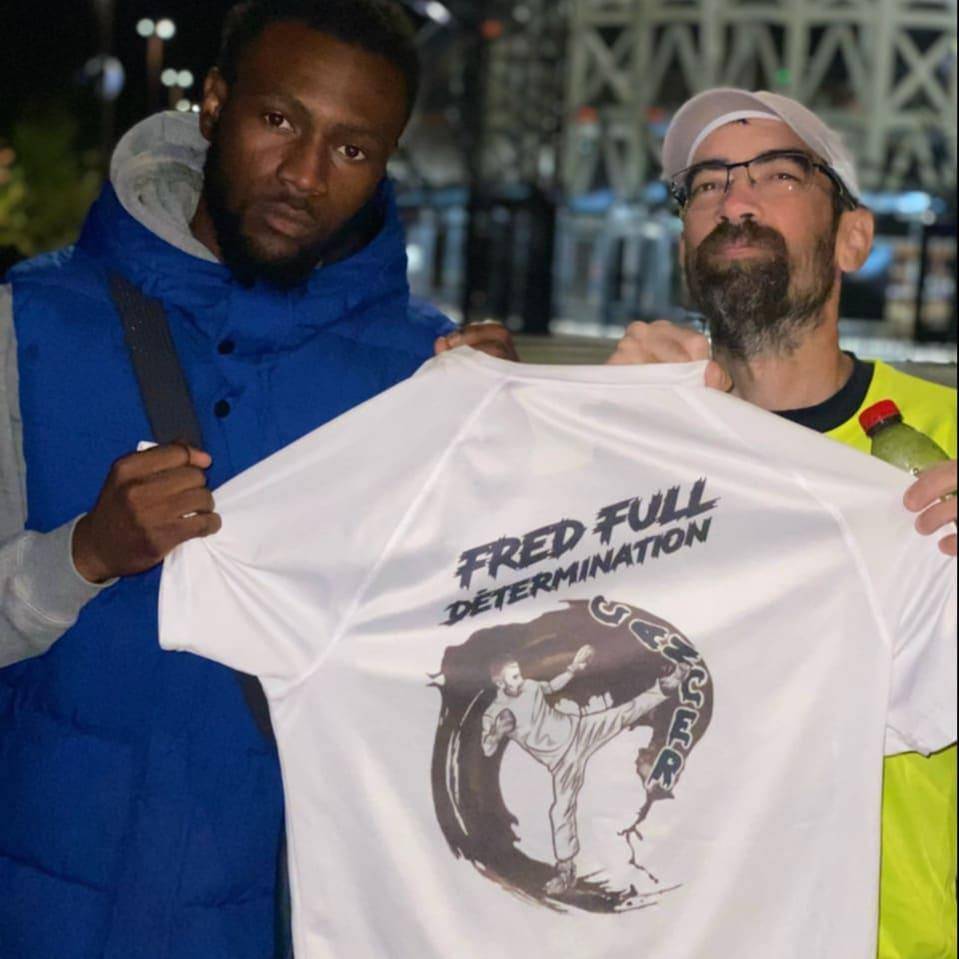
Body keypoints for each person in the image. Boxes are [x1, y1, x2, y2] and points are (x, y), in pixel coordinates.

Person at [0, 2, 512, 956]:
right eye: (279, 120)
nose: (305, 175)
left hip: (287, 918)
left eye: (352, 149)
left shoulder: (429, 379)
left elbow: (477, 669)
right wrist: (82, 555)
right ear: (215, 103)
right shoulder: (27, 322)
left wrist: (505, 458)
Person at [608, 87, 957, 959]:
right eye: (705, 183)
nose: (734, 198)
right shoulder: (617, 439)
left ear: (852, 237)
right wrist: (597, 442)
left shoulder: (948, 442)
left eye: (777, 173)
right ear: (683, 244)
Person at [482, 646, 687, 896]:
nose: (520, 679)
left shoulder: (530, 686)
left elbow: (551, 687)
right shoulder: (494, 713)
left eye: (519, 673)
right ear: (499, 682)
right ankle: (565, 872)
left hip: (579, 730)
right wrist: (496, 734)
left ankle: (666, 686)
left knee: (621, 714)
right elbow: (488, 749)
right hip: (562, 760)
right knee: (561, 810)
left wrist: (573, 669)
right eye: (514, 677)